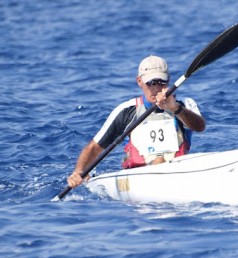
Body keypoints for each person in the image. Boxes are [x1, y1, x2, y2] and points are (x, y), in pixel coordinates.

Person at [67, 55, 206, 188]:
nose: (156, 88)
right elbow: (95, 147)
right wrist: (79, 171)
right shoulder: (126, 111)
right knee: (158, 161)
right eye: (151, 83)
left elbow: (199, 127)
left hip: (178, 171)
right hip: (138, 177)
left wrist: (175, 108)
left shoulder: (185, 104)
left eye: (161, 82)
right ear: (139, 81)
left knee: (160, 161)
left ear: (169, 80)